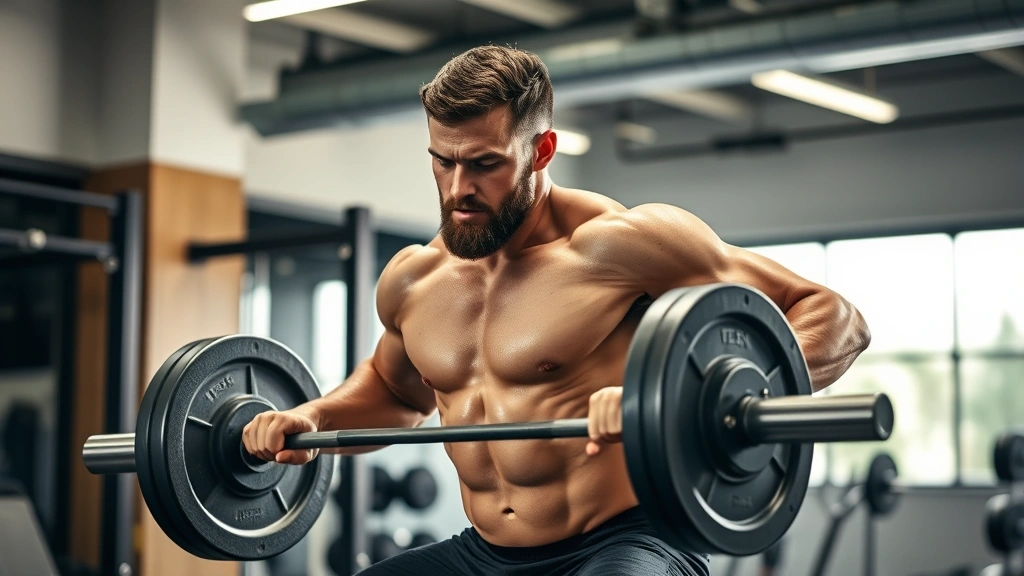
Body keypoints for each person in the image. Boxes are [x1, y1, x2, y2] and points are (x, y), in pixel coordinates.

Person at [242, 45, 871, 576]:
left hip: (629, 541)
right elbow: (394, 392)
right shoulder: (414, 278)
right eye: (443, 160)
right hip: (485, 554)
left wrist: (675, 397)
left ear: (541, 151)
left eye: (485, 164)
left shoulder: (623, 244)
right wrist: (314, 415)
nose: (459, 187)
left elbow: (835, 319)